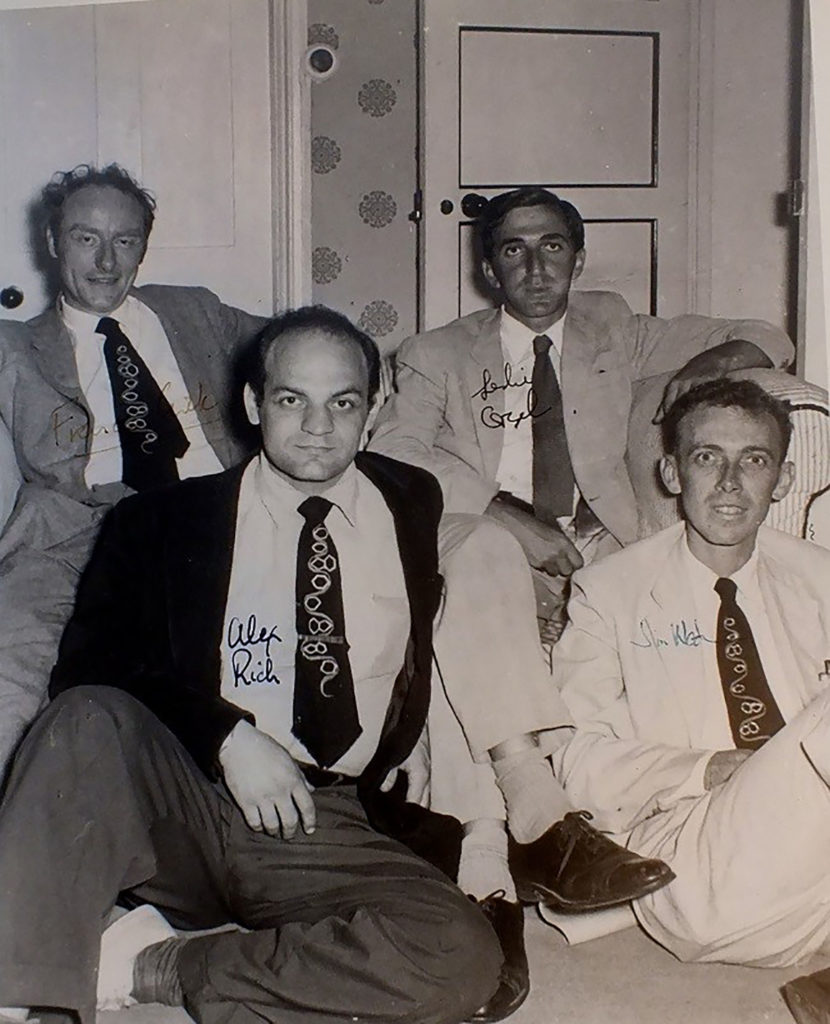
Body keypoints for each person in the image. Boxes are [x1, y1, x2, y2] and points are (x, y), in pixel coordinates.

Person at [0, 306, 503, 1024]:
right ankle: (23, 988)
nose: (318, 427)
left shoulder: (411, 499)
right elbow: (90, 665)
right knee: (84, 714)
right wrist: (226, 738)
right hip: (190, 803)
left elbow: (415, 638)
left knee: (462, 955)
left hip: (325, 819)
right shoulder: (161, 519)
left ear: (376, 405)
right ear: (251, 403)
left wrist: (414, 730)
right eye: (291, 400)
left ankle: (155, 965)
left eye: (344, 403)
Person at [369, 186, 794, 639]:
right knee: (488, 573)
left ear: (579, 261)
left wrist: (711, 363)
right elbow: (393, 451)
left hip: (602, 538)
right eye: (515, 250)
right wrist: (503, 516)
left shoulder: (613, 329)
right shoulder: (437, 352)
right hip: (490, 535)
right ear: (491, 272)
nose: (536, 270)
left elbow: (768, 337)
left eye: (552, 246)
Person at [550, 378, 830, 976]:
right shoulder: (610, 592)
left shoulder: (819, 576)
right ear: (673, 474)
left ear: (780, 480)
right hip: (694, 852)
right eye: (708, 458)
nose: (730, 484)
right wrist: (710, 767)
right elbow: (575, 759)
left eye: (753, 460)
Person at [0, 163, 266, 772]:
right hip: (79, 535)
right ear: (52, 242)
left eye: (125, 240)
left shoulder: (195, 311)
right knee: (10, 668)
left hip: (212, 522)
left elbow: (299, 346)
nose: (105, 262)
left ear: (144, 246)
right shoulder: (13, 348)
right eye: (85, 238)